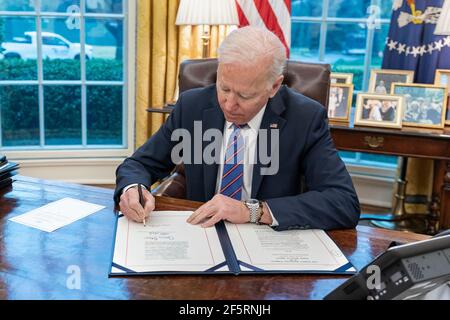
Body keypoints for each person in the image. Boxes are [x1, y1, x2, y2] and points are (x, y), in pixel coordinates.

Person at [115, 26, 360, 231]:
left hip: (267, 240)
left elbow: (343, 202)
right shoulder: (192, 106)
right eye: (224, 88)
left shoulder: (305, 118)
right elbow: (139, 164)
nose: (230, 105)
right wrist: (132, 189)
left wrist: (252, 211)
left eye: (245, 95)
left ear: (274, 87)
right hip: (202, 233)